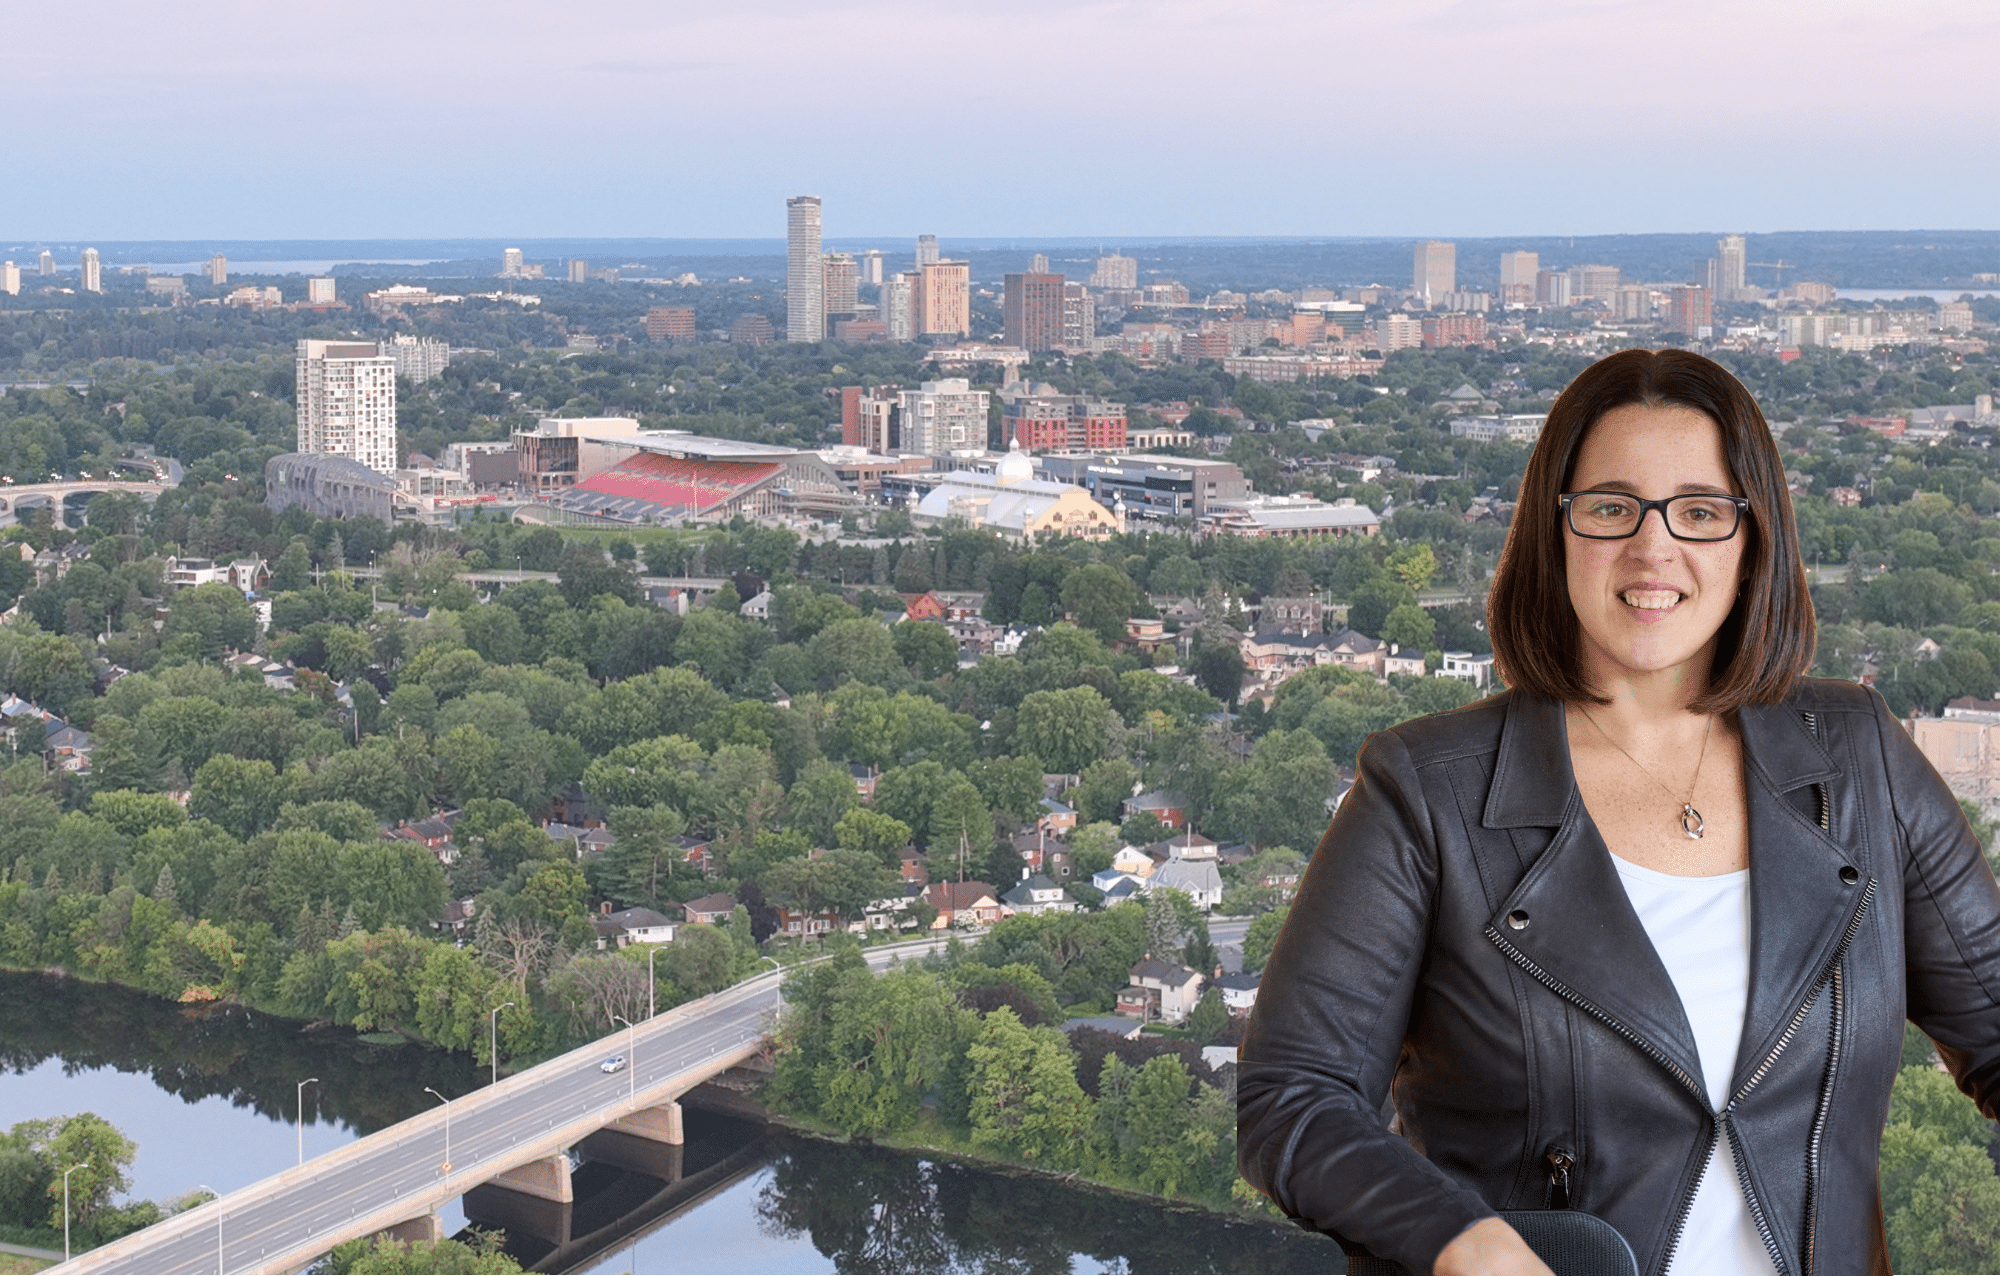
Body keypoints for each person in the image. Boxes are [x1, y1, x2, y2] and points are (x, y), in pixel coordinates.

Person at [1236, 348, 2000, 1276]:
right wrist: (1459, 1240)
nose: (1654, 548)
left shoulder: (1860, 757)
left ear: (1753, 538)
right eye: (1610, 508)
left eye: (1701, 510)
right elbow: (1295, 1099)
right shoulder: (1425, 792)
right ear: (1553, 533)